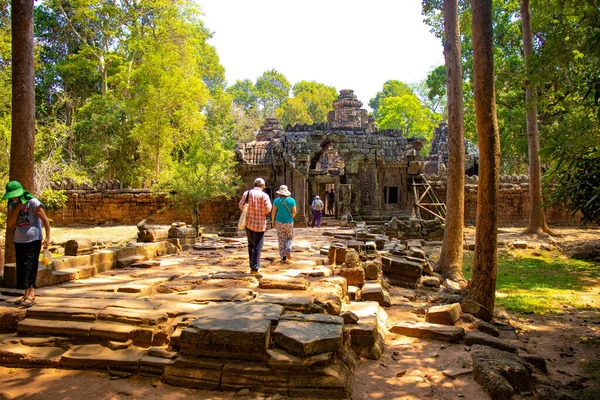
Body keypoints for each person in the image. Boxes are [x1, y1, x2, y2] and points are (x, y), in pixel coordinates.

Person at [3, 180, 51, 308]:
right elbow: (11, 223)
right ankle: (25, 294)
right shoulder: (13, 205)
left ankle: (31, 295)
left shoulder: (33, 202)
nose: (13, 197)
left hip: (33, 239)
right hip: (19, 239)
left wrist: (47, 237)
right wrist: (17, 208)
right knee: (22, 267)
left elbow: (45, 220)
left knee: (30, 266)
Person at [239, 177, 272, 274]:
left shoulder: (247, 193)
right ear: (263, 186)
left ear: (254, 184)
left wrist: (249, 210)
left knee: (250, 244)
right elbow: (268, 209)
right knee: (258, 245)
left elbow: (241, 206)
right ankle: (255, 267)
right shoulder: (264, 196)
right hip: (260, 224)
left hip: (248, 222)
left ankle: (251, 264)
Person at [271, 185, 297, 263]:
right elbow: (295, 212)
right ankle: (288, 249)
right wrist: (290, 217)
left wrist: (273, 221)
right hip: (289, 221)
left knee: (281, 238)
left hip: (279, 221)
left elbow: (273, 212)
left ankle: (283, 256)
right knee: (289, 237)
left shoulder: (276, 200)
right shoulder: (292, 200)